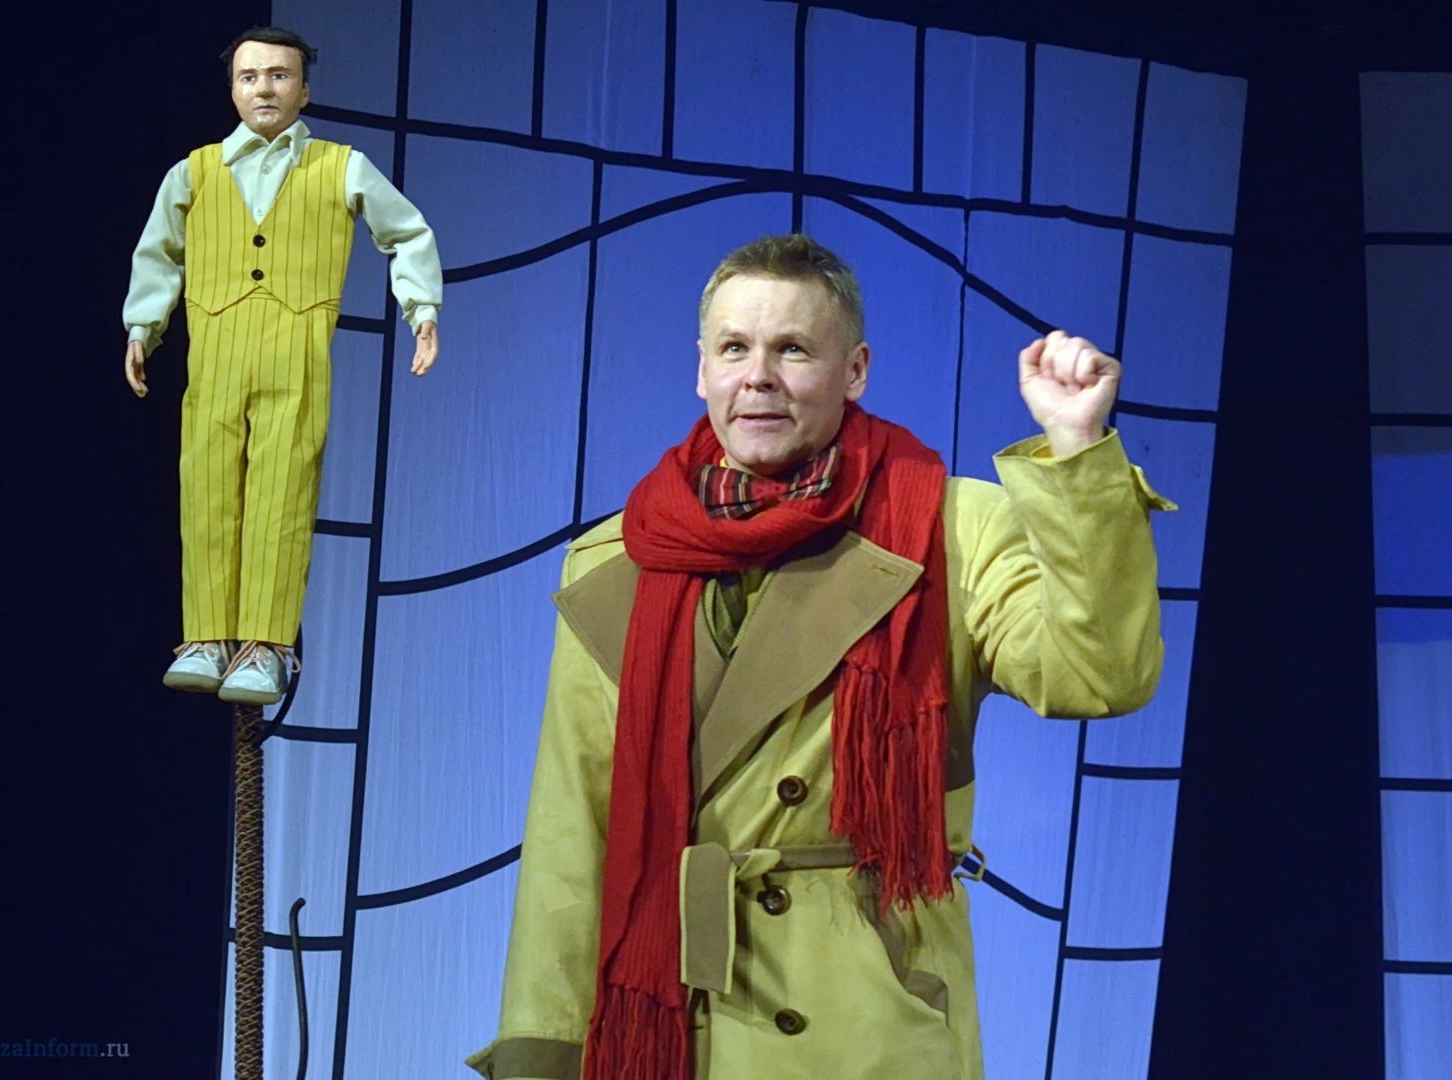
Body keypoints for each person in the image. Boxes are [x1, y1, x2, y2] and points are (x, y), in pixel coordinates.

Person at [468, 234, 1175, 1079]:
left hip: (871, 1021)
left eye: (793, 349)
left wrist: (1078, 455)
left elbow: (1100, 676)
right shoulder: (616, 557)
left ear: (856, 370)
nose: (758, 377)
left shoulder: (950, 529)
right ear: (702, 369)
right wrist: (543, 1052)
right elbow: (570, 831)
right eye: (735, 348)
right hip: (670, 1023)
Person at [121, 26, 443, 704]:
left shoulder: (340, 166)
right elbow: (159, 253)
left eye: (278, 75)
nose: (264, 88)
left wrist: (421, 309)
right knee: (206, 486)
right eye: (249, 77)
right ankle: (206, 636)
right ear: (231, 90)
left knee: (283, 490)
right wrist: (143, 327)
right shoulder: (195, 172)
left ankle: (266, 644)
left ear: (304, 89)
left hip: (295, 350)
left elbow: (407, 232)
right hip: (215, 350)